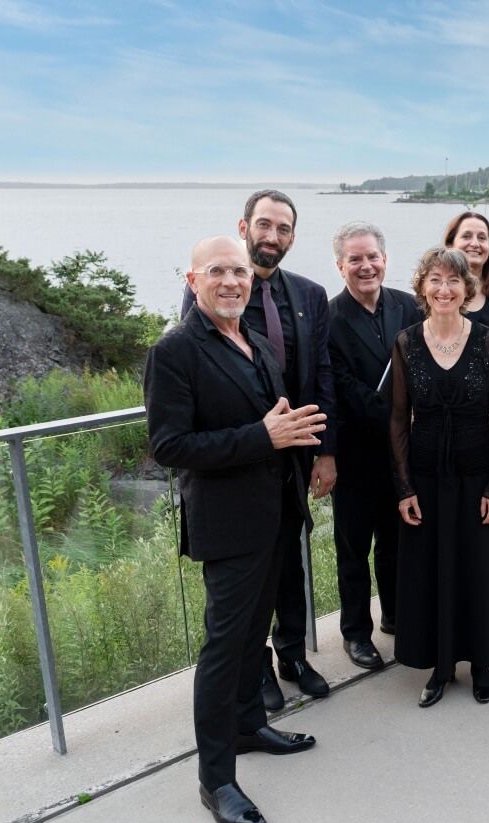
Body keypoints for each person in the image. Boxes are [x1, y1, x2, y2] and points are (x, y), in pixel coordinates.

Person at [146, 236, 325, 823]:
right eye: (218, 271)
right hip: (227, 526)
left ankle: (249, 726)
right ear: (193, 279)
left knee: (254, 638)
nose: (231, 281)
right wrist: (263, 438)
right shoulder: (175, 350)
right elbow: (169, 446)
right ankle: (215, 777)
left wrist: (293, 439)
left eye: (240, 273)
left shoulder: (253, 341)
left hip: (275, 514)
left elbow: (273, 420)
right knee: (223, 650)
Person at [181, 190, 336, 708]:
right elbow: (196, 375)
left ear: (292, 237)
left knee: (287, 561)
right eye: (264, 225)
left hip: (293, 454)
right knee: (242, 586)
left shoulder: (311, 295)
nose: (273, 236)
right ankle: (258, 670)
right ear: (244, 227)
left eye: (283, 229)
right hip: (238, 462)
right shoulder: (213, 293)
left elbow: (322, 374)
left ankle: (293, 652)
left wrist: (324, 449)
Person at [389, 247, 489, 707]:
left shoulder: (488, 340)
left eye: (453, 281)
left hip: (475, 474)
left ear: (467, 288)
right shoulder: (406, 341)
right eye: (435, 280)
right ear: (422, 288)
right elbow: (398, 418)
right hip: (426, 478)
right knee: (433, 571)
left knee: (476, 569)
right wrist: (404, 486)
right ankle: (441, 666)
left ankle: (481, 664)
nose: (444, 289)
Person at [326, 221, 423, 670]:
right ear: (340, 265)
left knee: (395, 542)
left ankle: (396, 617)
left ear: (384, 259)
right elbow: (338, 383)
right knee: (353, 549)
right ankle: (355, 634)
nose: (366, 266)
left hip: (402, 455)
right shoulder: (328, 318)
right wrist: (394, 416)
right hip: (355, 453)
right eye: (355, 259)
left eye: (372, 257)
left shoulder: (408, 306)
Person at [444, 211, 489, 328]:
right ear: (450, 244)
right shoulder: (436, 293)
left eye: (482, 238)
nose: (475, 244)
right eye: (466, 236)